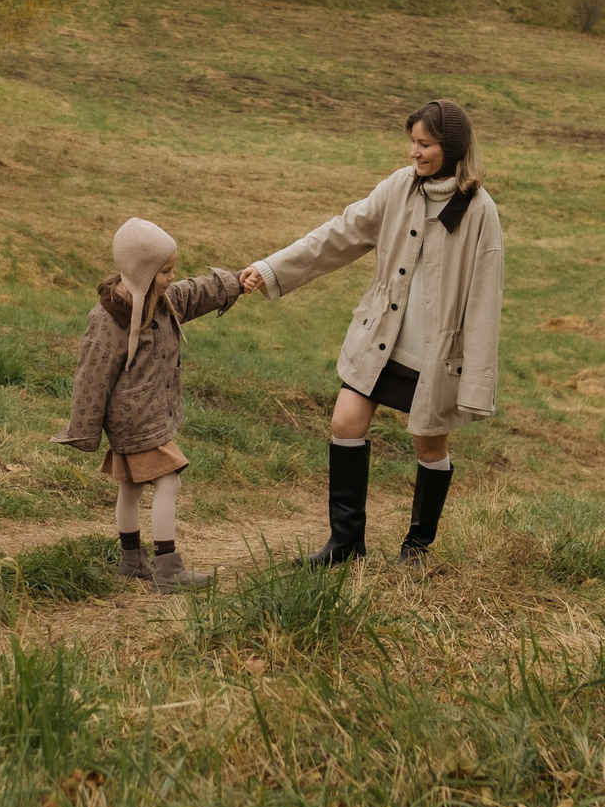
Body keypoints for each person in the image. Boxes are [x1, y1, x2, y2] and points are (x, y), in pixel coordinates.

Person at [240, 99, 504, 566]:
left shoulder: (481, 211)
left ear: (451, 147)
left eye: (424, 144)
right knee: (345, 422)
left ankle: (417, 547)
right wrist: (271, 268)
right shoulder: (399, 188)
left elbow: (485, 301)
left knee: (428, 443)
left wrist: (476, 383)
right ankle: (345, 546)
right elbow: (339, 234)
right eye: (413, 142)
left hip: (434, 356)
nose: (413, 153)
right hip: (380, 339)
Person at [54, 217, 244, 592]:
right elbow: (91, 376)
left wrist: (236, 282)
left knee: (131, 486)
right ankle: (168, 570)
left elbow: (194, 293)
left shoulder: (161, 301)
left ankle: (131, 562)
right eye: (165, 271)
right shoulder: (109, 319)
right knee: (168, 481)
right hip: (134, 418)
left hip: (144, 414)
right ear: (142, 271)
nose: (172, 277)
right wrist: (82, 429)